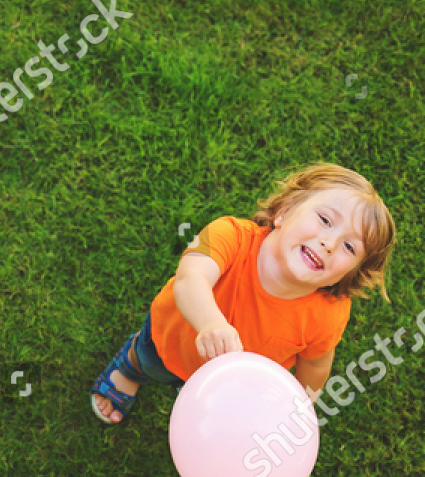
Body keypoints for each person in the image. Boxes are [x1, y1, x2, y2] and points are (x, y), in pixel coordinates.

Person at [91, 164, 398, 424]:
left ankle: (191, 393)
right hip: (171, 338)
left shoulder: (328, 314)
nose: (329, 243)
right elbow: (190, 279)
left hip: (232, 383)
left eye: (349, 247)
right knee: (148, 360)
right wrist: (211, 323)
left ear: (351, 272)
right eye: (325, 220)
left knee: (205, 406)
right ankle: (128, 368)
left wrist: (301, 408)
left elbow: (316, 364)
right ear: (285, 212)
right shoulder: (229, 236)